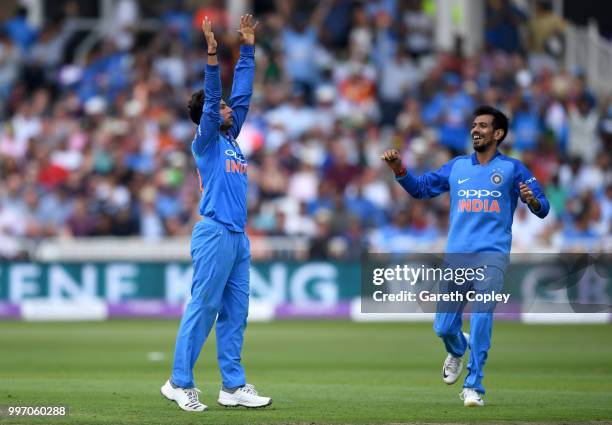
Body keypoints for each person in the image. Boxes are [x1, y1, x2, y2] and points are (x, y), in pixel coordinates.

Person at [381, 105, 550, 407]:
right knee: (443, 328)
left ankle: (474, 386)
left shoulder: (513, 168)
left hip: (492, 257)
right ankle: (457, 349)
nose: (476, 129)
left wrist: (532, 201)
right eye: (474, 125)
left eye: (483, 126)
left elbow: (544, 207)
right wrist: (399, 171)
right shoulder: (457, 166)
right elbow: (420, 190)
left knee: (482, 317)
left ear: (498, 134)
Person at [160, 15, 271, 411]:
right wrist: (211, 55)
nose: (228, 108)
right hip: (213, 234)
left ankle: (232, 386)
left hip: (238, 237)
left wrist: (247, 49)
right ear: (208, 115)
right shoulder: (205, 141)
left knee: (236, 314)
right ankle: (178, 381)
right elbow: (216, 100)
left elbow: (242, 95)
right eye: (219, 106)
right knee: (203, 308)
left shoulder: (231, 139)